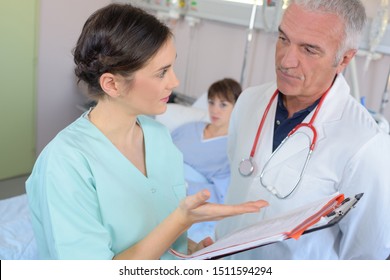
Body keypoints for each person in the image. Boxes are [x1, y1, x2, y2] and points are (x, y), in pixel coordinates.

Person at [25, 3, 268, 260]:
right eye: (161, 73)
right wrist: (181, 221)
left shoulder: (159, 137)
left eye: (171, 68)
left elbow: (157, 229)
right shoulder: (66, 162)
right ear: (112, 84)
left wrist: (189, 249)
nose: (174, 83)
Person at [216, 0, 390, 260]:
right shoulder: (249, 101)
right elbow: (239, 185)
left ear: (343, 58)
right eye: (283, 38)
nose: (286, 61)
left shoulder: (365, 144)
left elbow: (368, 256)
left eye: (309, 49)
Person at [171, 78, 242, 242]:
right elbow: (159, 150)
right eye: (211, 102)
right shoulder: (189, 128)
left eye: (223, 104)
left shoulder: (233, 149)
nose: (215, 110)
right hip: (158, 182)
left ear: (237, 107)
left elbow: (222, 194)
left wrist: (185, 186)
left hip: (186, 197)